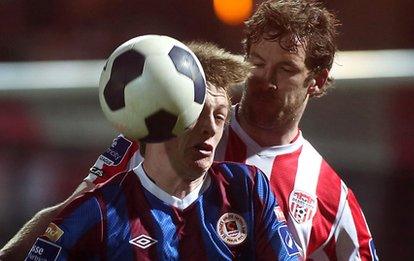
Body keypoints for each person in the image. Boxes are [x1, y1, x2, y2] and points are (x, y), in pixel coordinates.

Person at [2, 1, 378, 260]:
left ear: (317, 80)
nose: (264, 80)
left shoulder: (330, 197)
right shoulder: (166, 125)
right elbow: (70, 213)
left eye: (286, 69)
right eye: (258, 62)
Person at [23, 41, 300, 260]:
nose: (210, 129)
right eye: (197, 114)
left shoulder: (247, 190)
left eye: (219, 116)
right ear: (163, 117)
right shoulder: (98, 213)